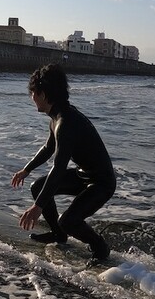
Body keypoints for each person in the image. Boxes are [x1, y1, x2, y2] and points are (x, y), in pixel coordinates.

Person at [11, 63, 115, 263]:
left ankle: (100, 247)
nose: (31, 98)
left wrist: (37, 207)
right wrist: (27, 169)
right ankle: (59, 234)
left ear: (42, 93)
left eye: (32, 93)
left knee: (68, 220)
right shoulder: (58, 116)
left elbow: (58, 167)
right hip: (85, 175)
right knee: (38, 186)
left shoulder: (66, 123)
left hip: (101, 183)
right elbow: (49, 147)